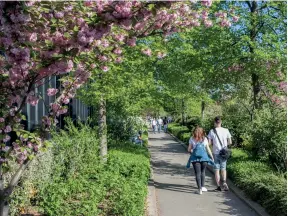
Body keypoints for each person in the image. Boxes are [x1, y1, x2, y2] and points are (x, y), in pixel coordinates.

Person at [208, 116, 232, 192]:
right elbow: (230, 142)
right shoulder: (226, 130)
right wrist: (225, 146)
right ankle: (224, 182)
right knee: (223, 169)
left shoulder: (212, 131)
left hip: (215, 153)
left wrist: (213, 144)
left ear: (215, 123)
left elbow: (209, 143)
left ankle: (218, 186)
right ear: (221, 122)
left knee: (217, 170)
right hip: (224, 153)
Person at [187, 127, 214, 195]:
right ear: (202, 132)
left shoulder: (192, 138)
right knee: (203, 172)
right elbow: (208, 149)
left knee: (197, 173)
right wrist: (211, 156)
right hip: (204, 158)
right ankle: (202, 187)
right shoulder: (204, 139)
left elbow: (189, 149)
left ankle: (199, 190)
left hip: (195, 158)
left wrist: (192, 150)